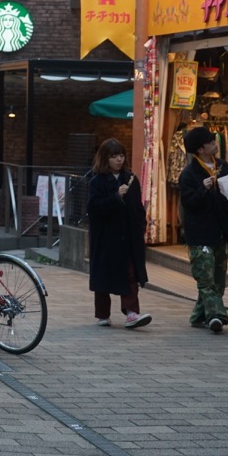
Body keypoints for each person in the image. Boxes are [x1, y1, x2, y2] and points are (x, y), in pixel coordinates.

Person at [178, 125, 228, 333]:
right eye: (211, 142)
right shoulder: (189, 174)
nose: (215, 144)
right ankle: (216, 316)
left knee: (218, 279)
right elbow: (189, 204)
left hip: (221, 231)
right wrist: (202, 189)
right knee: (205, 278)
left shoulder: (223, 166)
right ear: (200, 149)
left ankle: (198, 315)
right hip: (199, 233)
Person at [85, 138, 152, 328]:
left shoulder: (130, 179)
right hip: (105, 238)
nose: (119, 160)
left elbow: (137, 208)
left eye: (121, 155)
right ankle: (102, 314)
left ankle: (132, 313)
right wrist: (115, 197)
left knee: (130, 273)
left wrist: (141, 226)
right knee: (103, 276)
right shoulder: (97, 181)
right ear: (105, 158)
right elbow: (94, 209)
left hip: (127, 237)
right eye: (114, 156)